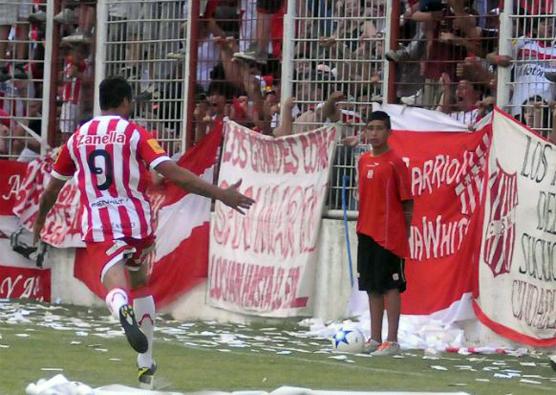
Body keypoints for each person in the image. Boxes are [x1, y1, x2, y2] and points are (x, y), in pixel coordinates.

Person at [32, 77, 255, 388]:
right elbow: (173, 173)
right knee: (140, 282)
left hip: (99, 222)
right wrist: (220, 194)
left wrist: (41, 221)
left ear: (101, 102)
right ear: (125, 102)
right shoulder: (135, 133)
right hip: (137, 222)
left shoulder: (77, 138)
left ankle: (119, 307)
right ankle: (145, 362)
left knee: (113, 277)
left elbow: (52, 189)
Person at [356, 111, 413, 356]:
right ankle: (375, 338)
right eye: (371, 128)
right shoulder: (363, 160)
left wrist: (404, 232)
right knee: (372, 286)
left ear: (389, 133)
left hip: (389, 235)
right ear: (365, 132)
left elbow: (407, 202)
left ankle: (392, 340)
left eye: (380, 128)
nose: (375, 133)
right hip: (366, 231)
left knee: (391, 286)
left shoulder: (395, 163)